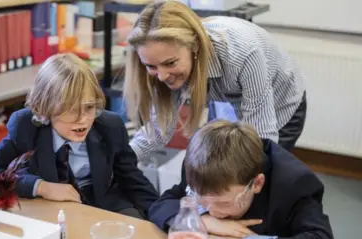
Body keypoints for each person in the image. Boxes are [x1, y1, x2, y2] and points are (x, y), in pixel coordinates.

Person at [0, 53, 159, 219]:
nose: (83, 120)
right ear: (44, 109)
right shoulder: (26, 127)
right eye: (71, 110)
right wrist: (40, 187)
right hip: (52, 210)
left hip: (105, 206)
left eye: (89, 107)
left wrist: (163, 219)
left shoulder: (109, 126)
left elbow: (133, 180)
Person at [148, 120, 350, 239]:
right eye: (202, 200)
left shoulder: (294, 184)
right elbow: (162, 204)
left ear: (257, 183)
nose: (214, 211)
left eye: (224, 203)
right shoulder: (201, 166)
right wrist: (205, 222)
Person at [124, 1, 307, 161]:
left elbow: (262, 135)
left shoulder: (242, 54)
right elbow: (158, 130)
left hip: (279, 105)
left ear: (194, 46)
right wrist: (119, 161)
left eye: (170, 63)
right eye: (151, 66)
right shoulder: (162, 61)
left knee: (255, 182)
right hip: (229, 101)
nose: (162, 76)